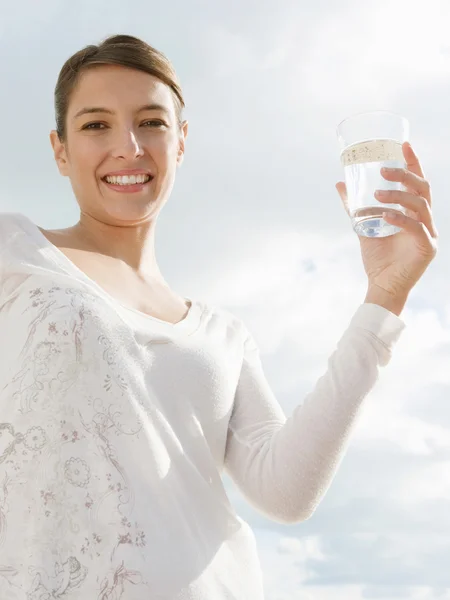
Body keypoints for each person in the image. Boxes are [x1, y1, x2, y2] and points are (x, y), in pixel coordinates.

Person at [0, 33, 438, 600]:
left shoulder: (222, 336)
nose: (129, 146)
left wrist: (386, 296)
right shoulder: (15, 250)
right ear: (60, 150)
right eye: (95, 125)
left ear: (180, 142)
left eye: (151, 122)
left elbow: (286, 492)